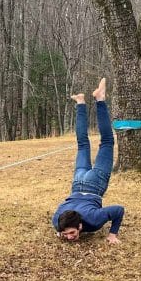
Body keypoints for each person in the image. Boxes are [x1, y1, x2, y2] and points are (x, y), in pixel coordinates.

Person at [52, 78, 124, 244]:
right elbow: (58, 218)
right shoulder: (57, 222)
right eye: (66, 234)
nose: (69, 237)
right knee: (82, 143)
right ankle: (80, 102)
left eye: (70, 233)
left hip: (94, 184)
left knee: (107, 140)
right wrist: (60, 232)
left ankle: (100, 99)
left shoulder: (93, 220)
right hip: (78, 182)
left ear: (80, 226)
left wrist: (112, 234)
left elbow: (118, 210)